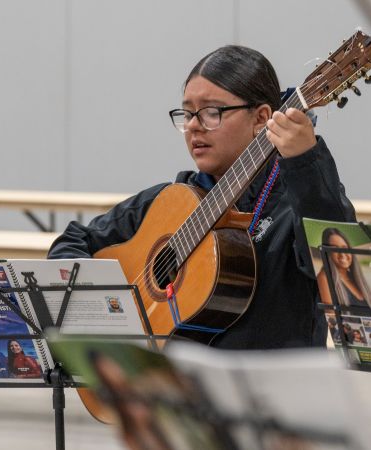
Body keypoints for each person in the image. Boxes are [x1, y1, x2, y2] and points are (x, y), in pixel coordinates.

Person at [47, 45, 355, 349]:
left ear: (261, 118)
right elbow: (75, 242)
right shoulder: (169, 204)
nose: (194, 125)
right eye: (188, 113)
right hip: (171, 392)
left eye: (211, 112)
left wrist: (306, 162)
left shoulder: (296, 200)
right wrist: (110, 318)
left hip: (278, 390)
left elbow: (341, 264)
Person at [316, 228, 371, 308]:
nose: (342, 254)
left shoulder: (356, 277)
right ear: (327, 253)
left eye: (344, 248)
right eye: (335, 249)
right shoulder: (324, 277)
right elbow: (331, 317)